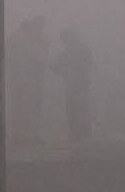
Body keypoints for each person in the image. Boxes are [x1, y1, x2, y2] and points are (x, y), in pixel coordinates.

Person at [7, 16, 49, 146]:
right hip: (27, 78)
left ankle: (19, 134)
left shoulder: (15, 39)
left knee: (21, 105)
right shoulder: (25, 40)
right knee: (28, 106)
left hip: (21, 78)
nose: (41, 29)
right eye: (39, 26)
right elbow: (39, 58)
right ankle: (27, 134)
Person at [50, 28, 93, 147]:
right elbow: (55, 66)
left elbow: (55, 66)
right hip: (75, 85)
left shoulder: (75, 51)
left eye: (65, 39)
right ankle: (80, 135)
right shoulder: (73, 51)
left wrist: (66, 70)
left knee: (77, 110)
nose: (64, 42)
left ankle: (80, 134)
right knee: (76, 110)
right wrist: (64, 70)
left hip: (77, 85)